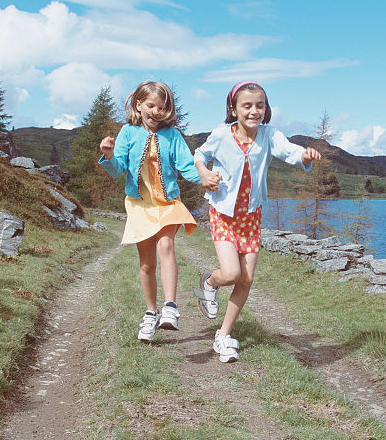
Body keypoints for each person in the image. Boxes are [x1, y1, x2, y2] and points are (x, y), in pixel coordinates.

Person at [193, 81, 321, 362]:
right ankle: (210, 283)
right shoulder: (221, 135)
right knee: (230, 274)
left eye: (259, 105)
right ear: (233, 108)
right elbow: (200, 155)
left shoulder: (268, 134)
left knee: (246, 278)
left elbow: (289, 151)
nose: (254, 111)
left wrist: (305, 155)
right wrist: (204, 173)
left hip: (251, 216)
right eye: (247, 105)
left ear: (266, 108)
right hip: (223, 213)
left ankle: (223, 336)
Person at [99, 81, 219, 341]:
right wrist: (108, 156)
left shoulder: (172, 135)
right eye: (151, 105)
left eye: (162, 107)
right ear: (138, 105)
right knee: (146, 263)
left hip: (167, 205)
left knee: (166, 247)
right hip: (140, 205)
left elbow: (187, 167)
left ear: (168, 110)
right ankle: (150, 313)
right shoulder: (128, 132)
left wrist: (205, 176)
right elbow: (119, 168)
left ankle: (171, 308)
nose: (156, 111)